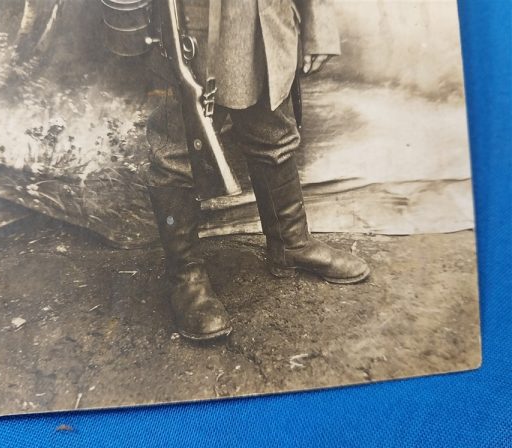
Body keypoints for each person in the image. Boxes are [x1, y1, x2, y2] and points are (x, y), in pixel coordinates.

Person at [146, 0, 370, 341]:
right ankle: (185, 275)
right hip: (190, 29)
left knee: (274, 137)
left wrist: (318, 24)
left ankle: (290, 244)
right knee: (176, 156)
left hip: (265, 21)